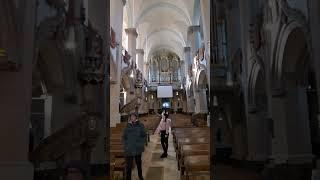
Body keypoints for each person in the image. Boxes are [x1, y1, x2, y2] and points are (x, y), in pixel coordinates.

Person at [122, 113, 146, 180]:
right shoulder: (127, 126)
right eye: (131, 117)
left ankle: (140, 176)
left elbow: (144, 136)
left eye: (133, 116)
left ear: (136, 117)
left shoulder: (140, 125)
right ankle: (128, 178)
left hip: (137, 148)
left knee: (138, 164)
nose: (132, 118)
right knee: (128, 166)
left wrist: (141, 144)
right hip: (129, 149)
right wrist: (125, 145)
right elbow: (124, 137)